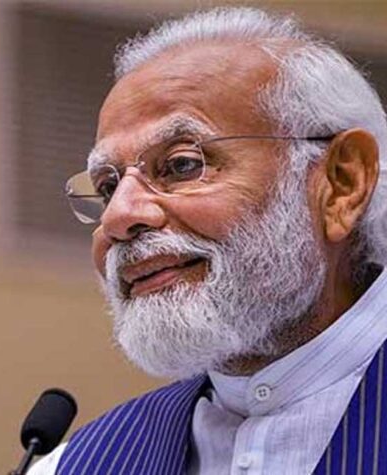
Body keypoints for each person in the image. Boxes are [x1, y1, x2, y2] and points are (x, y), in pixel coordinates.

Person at [29, 6, 387, 475]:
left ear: (341, 184)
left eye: (181, 165)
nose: (117, 217)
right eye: (108, 187)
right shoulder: (72, 466)